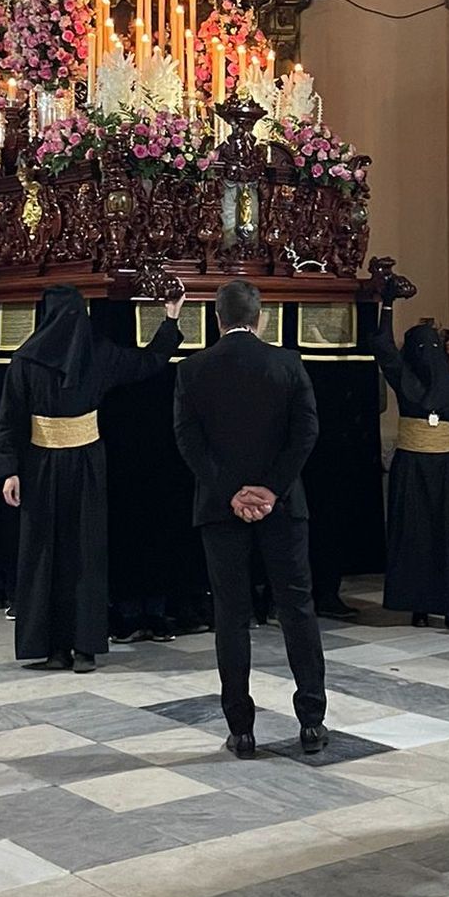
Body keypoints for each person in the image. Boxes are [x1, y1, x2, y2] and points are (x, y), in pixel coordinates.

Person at [0, 281, 183, 672]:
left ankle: (54, 648)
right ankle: (84, 649)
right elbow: (150, 361)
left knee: (45, 553)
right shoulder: (99, 354)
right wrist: (171, 319)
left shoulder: (25, 360)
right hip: (87, 465)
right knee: (85, 552)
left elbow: (8, 421)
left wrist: (9, 471)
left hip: (40, 466)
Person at [173, 278, 327, 757]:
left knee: (231, 616)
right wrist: (273, 489)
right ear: (260, 318)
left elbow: (188, 440)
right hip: (283, 508)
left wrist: (231, 492)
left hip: (221, 510)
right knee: (298, 609)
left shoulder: (193, 369)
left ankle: (241, 729)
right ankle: (312, 722)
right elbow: (306, 432)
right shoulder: (286, 363)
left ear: (216, 319)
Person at [373, 307, 449, 628]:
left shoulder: (412, 381)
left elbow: (384, 347)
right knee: (432, 537)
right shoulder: (445, 384)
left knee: (430, 538)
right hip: (436, 467)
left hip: (422, 467)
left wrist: (387, 307)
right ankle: (437, 608)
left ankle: (437, 606)